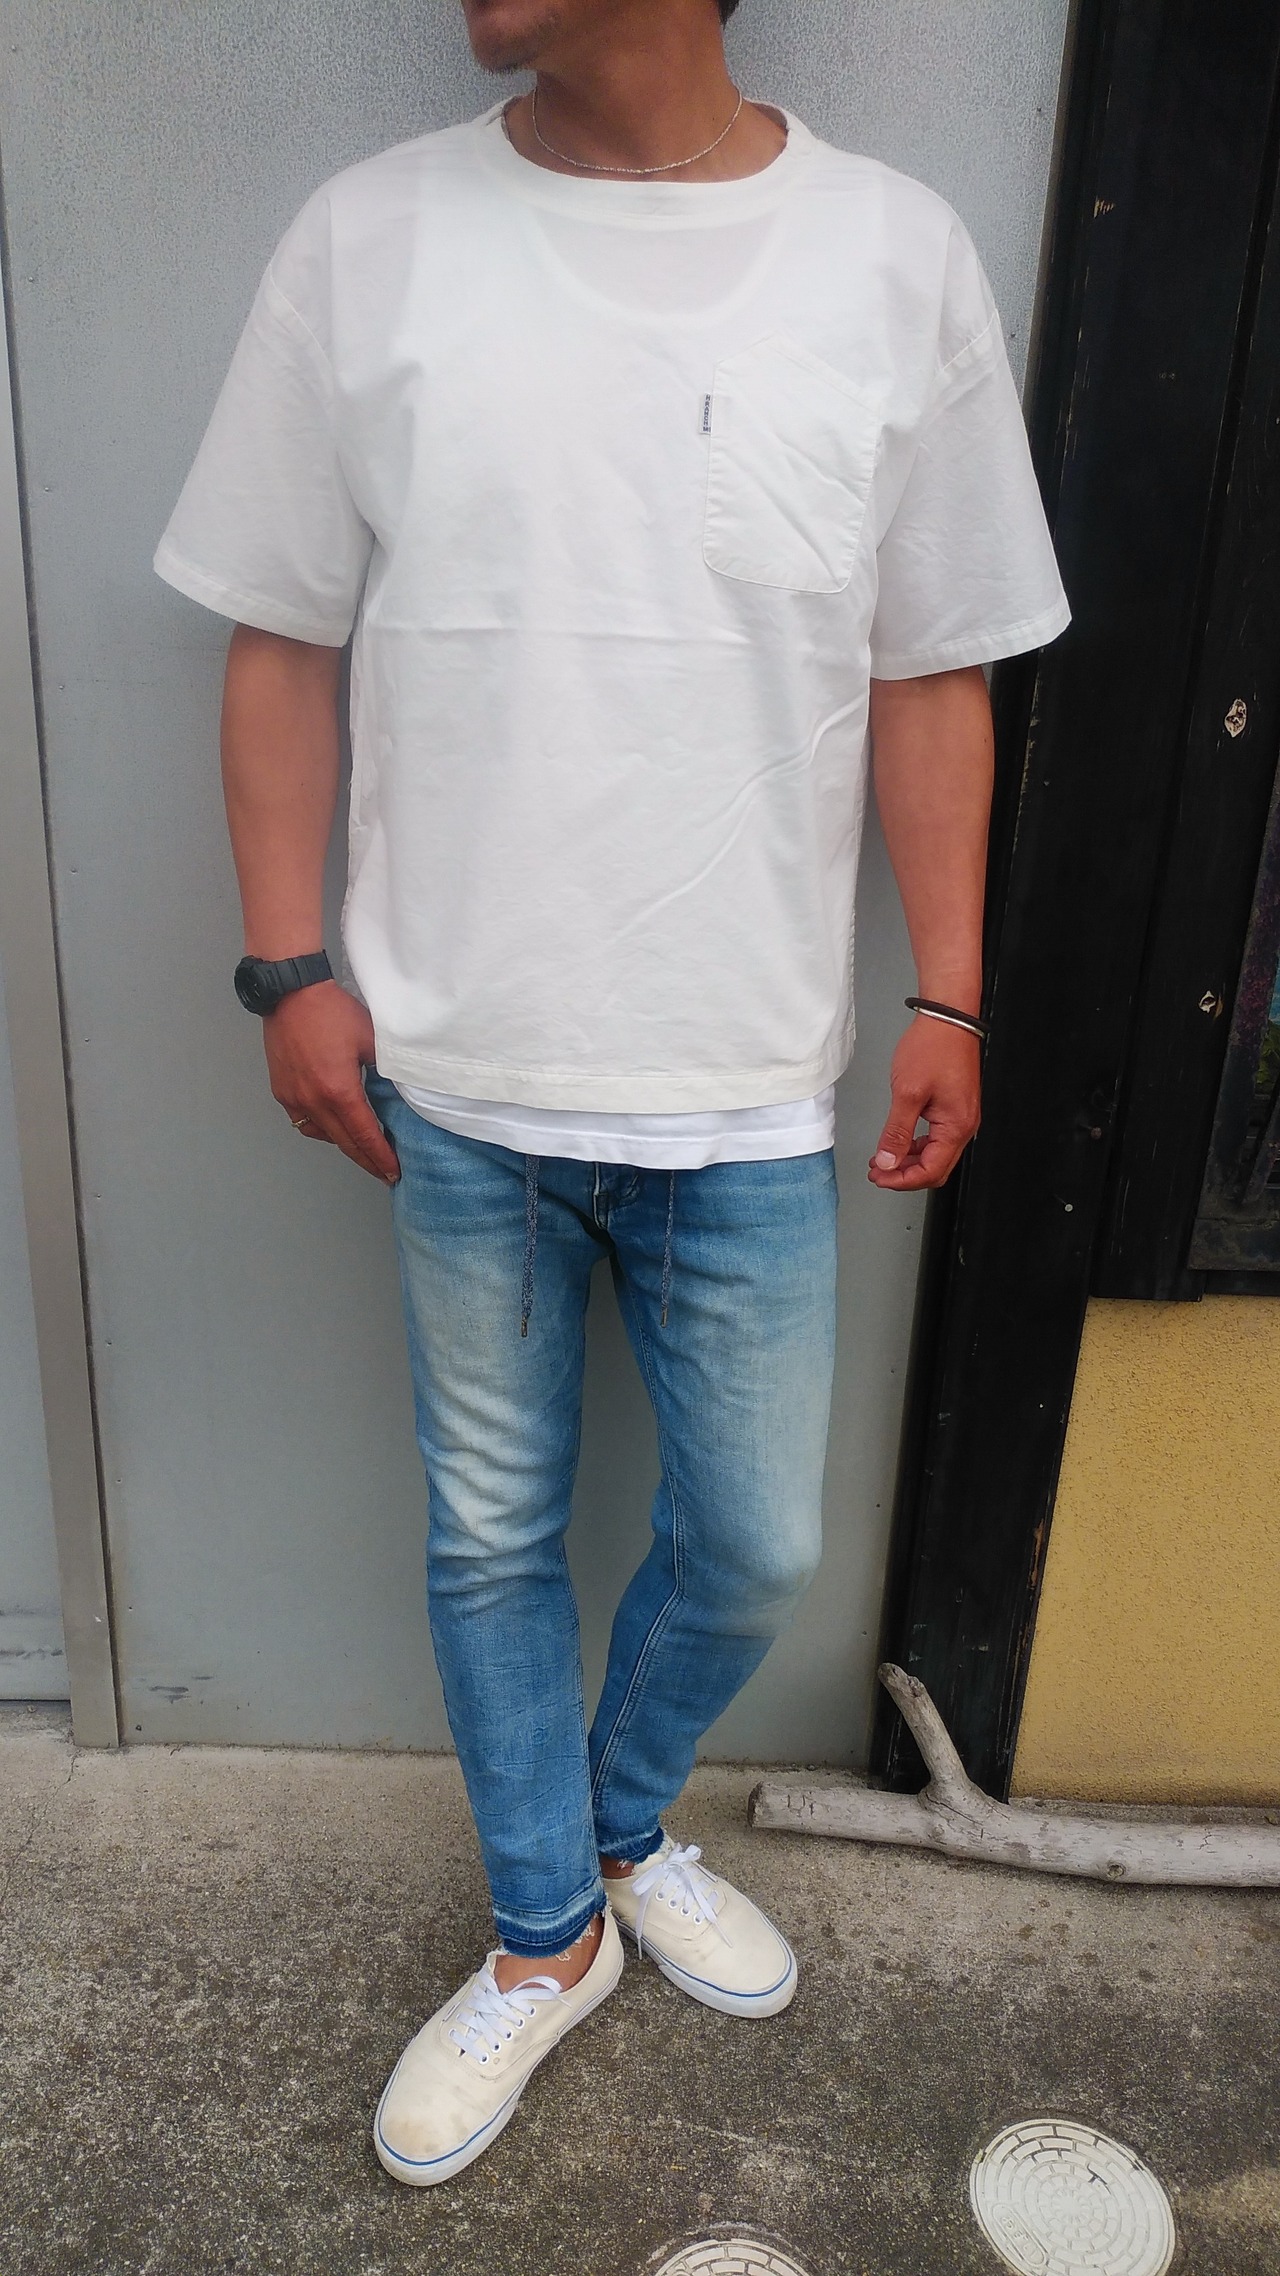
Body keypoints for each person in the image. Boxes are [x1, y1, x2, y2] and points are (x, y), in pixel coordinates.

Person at [155, 0, 1069, 2188]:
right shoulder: (370, 241)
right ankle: (546, 1928)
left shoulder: (891, 255)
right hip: (456, 1070)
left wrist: (951, 994)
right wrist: (287, 962)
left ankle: (625, 1820)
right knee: (489, 1537)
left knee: (755, 1541)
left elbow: (931, 660)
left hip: (746, 1079)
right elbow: (277, 631)